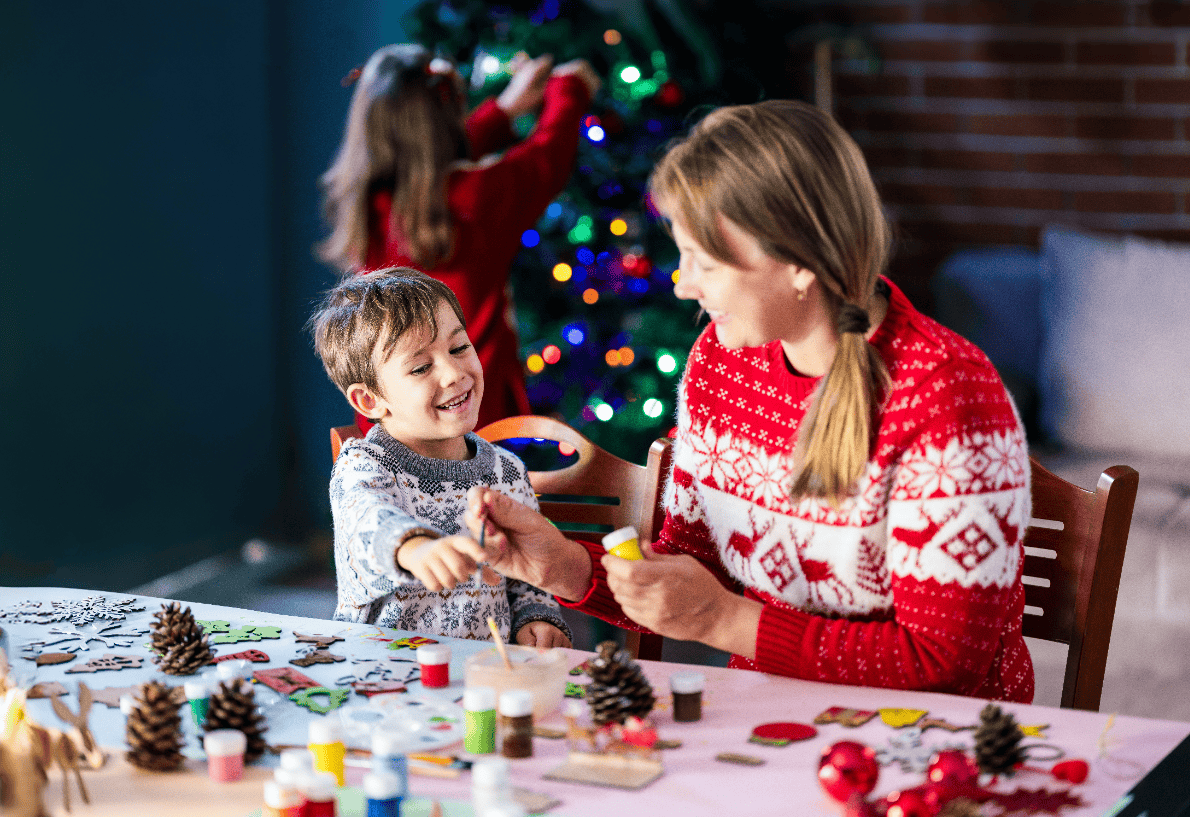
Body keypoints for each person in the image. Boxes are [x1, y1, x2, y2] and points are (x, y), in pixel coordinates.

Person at [467, 100, 1035, 702]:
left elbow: (945, 664)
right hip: (769, 718)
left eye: (705, 263)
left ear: (797, 264)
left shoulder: (945, 393)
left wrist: (725, 621)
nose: (682, 285)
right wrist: (563, 566)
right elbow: (691, 574)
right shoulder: (723, 360)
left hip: (932, 743)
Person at [318, 44, 600, 432]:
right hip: (472, 424)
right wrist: (570, 87)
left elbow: (420, 158)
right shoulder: (477, 199)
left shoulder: (362, 198)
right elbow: (545, 158)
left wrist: (503, 112)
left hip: (390, 428)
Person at [310, 268, 572, 647]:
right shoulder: (362, 465)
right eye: (420, 367)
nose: (453, 373)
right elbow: (367, 521)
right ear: (370, 400)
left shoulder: (507, 472)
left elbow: (527, 581)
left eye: (459, 347)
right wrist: (415, 547)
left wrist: (538, 618)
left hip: (483, 676)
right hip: (384, 676)